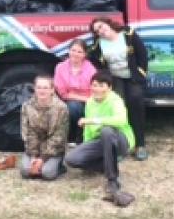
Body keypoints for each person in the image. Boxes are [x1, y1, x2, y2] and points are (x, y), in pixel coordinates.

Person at [65, 72, 136, 206]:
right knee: (71, 159)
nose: (97, 89)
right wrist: (86, 146)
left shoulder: (115, 100)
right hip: (99, 140)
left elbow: (121, 120)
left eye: (101, 85)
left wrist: (93, 120)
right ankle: (108, 164)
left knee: (106, 131)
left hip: (120, 139)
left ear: (109, 88)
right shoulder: (90, 101)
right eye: (94, 85)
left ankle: (112, 180)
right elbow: (88, 129)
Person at [89, 17, 150, 161]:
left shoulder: (128, 34)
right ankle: (120, 146)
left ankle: (140, 145)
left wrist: (140, 73)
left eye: (101, 26)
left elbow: (143, 54)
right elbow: (95, 61)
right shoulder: (98, 44)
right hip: (115, 78)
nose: (100, 31)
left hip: (133, 76)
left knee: (136, 100)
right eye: (97, 30)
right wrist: (105, 79)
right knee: (118, 105)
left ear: (108, 24)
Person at [20, 76, 69, 180]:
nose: (42, 91)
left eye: (45, 88)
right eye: (39, 87)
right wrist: (34, 157)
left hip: (53, 150)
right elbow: (27, 132)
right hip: (34, 148)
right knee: (25, 171)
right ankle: (34, 162)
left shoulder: (62, 108)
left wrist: (42, 159)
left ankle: (59, 165)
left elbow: (58, 137)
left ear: (52, 90)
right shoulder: (26, 106)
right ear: (35, 89)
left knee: (47, 174)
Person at [54, 39, 97, 140]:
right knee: (72, 106)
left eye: (79, 52)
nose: (76, 54)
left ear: (84, 54)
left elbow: (95, 91)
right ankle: (75, 135)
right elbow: (63, 93)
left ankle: (81, 133)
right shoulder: (60, 67)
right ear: (68, 51)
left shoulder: (91, 69)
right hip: (69, 101)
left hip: (90, 102)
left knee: (76, 107)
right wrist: (83, 98)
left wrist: (84, 98)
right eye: (73, 50)